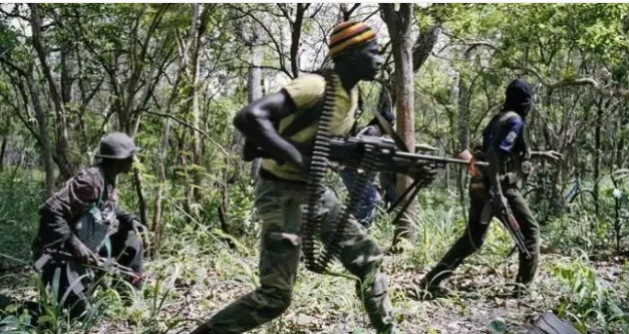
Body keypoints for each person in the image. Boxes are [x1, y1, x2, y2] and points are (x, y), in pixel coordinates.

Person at [191, 21, 398, 334]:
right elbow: (249, 117)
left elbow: (324, 144)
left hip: (314, 191)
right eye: (374, 52)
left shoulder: (351, 95)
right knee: (274, 297)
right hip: (281, 191)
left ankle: (388, 330)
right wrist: (295, 155)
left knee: (368, 261)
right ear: (352, 54)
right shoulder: (315, 86)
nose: (380, 59)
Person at [418, 79, 541, 298]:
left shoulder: (499, 118)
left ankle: (431, 281)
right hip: (500, 187)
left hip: (479, 185)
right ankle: (522, 291)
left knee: (473, 239)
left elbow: (503, 151)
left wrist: (541, 155)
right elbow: (495, 154)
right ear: (525, 102)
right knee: (530, 233)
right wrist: (499, 195)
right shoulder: (514, 122)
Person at [31, 132, 145, 318]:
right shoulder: (91, 180)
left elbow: (109, 208)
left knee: (131, 241)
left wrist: (129, 218)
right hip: (62, 254)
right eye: (130, 157)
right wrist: (76, 245)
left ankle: (129, 302)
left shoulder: (108, 180)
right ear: (119, 160)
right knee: (78, 315)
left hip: (90, 245)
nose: (133, 160)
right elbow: (50, 211)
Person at [339, 110, 396, 228]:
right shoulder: (372, 131)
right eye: (390, 125)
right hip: (353, 171)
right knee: (370, 198)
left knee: (368, 200)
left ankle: (355, 230)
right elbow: (366, 152)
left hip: (353, 171)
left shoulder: (375, 132)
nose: (391, 128)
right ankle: (358, 231)